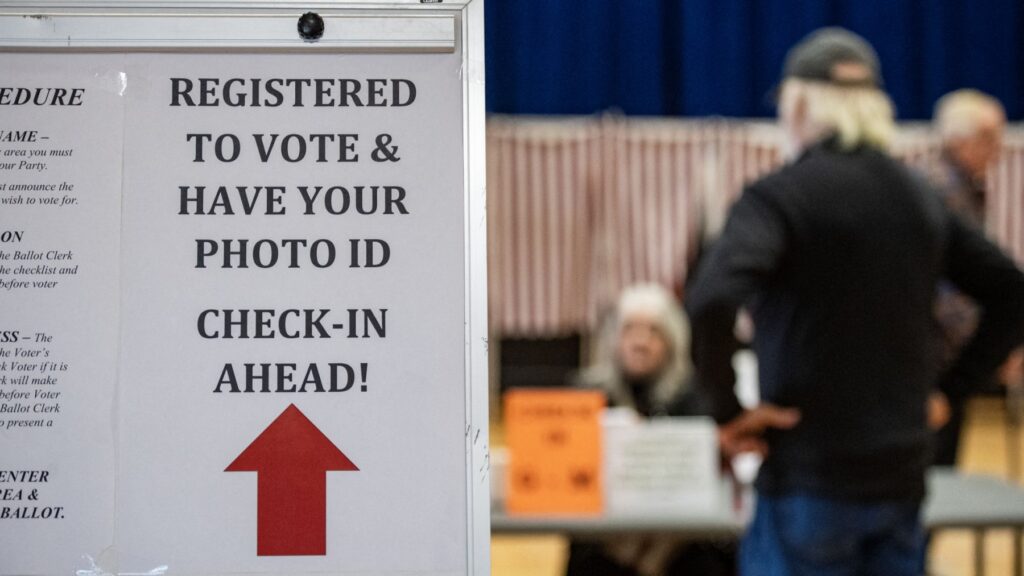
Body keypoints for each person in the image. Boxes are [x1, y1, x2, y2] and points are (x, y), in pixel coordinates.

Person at [684, 28, 1024, 576]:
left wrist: (729, 414)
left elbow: (712, 299)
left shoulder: (779, 197)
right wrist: (952, 392)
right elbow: (1011, 290)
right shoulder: (921, 197)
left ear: (796, 105)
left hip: (808, 477)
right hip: (901, 477)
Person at [566, 283, 734, 576]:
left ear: (672, 341)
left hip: (675, 542)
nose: (640, 341)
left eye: (654, 331)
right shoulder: (585, 396)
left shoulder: (694, 398)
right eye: (629, 329)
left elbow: (698, 485)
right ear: (614, 338)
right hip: (604, 537)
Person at [928, 89, 1022, 466]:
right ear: (958, 139)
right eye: (989, 138)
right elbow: (947, 291)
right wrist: (990, 348)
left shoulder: (962, 187)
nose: (998, 150)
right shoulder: (943, 190)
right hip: (937, 359)